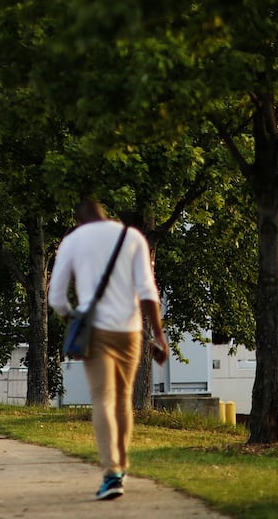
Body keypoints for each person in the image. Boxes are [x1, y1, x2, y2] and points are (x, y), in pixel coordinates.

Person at [48, 198, 169, 501]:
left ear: (78, 219)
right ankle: (122, 466)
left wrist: (74, 320)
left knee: (103, 396)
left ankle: (112, 472)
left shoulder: (73, 241)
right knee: (124, 397)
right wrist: (159, 334)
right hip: (130, 330)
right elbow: (147, 290)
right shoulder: (132, 237)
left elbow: (57, 298)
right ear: (105, 214)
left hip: (96, 329)